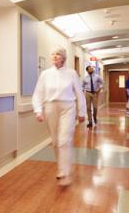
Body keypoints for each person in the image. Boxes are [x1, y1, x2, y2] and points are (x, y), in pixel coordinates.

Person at [32, 46, 86, 186]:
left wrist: (81, 112)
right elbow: (38, 93)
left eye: (58, 54)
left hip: (68, 107)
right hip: (50, 107)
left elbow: (79, 94)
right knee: (56, 141)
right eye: (53, 54)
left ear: (63, 58)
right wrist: (38, 110)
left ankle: (64, 170)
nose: (55, 56)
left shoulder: (71, 73)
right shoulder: (45, 74)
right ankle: (61, 166)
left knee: (64, 140)